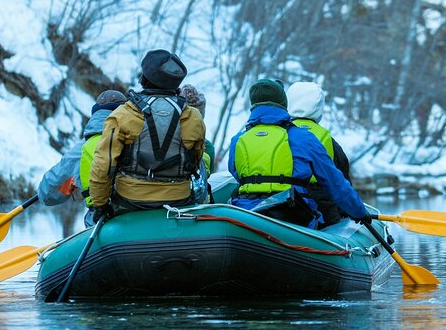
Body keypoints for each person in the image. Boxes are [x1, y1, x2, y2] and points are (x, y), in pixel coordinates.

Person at [227, 78, 372, 229]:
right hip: (292, 215)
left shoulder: (238, 140)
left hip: (246, 213)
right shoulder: (303, 138)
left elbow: (236, 173)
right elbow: (335, 182)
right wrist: (360, 212)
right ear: (283, 103)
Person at [89, 50, 206, 222]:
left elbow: (103, 166)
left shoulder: (123, 114)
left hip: (130, 200)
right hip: (179, 199)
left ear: (145, 77)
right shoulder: (193, 117)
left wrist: (100, 204)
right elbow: (196, 159)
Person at [37, 89, 127, 227]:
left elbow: (46, 194)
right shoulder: (142, 137)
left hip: (101, 221)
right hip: (140, 214)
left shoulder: (81, 151)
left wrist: (71, 182)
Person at [287, 81, 353, 227]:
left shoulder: (279, 135)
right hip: (323, 211)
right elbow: (342, 182)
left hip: (286, 205)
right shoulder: (329, 141)